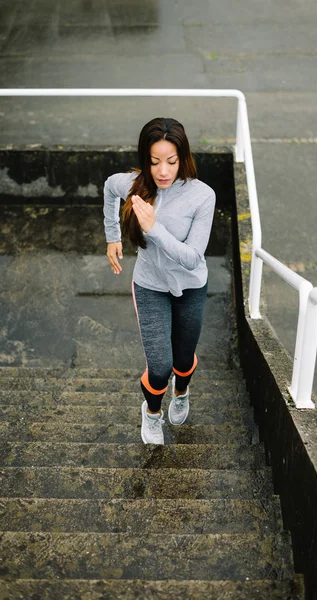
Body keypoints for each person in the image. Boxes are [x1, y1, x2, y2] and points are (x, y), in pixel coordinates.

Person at [103, 117, 216, 445]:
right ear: (145, 160)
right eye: (154, 162)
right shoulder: (134, 185)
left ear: (183, 158)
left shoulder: (202, 196)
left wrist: (154, 229)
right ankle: (152, 413)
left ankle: (182, 393)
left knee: (183, 359)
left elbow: (193, 257)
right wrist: (113, 236)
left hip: (191, 286)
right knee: (160, 365)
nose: (163, 171)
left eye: (171, 161)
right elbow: (111, 188)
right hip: (150, 286)